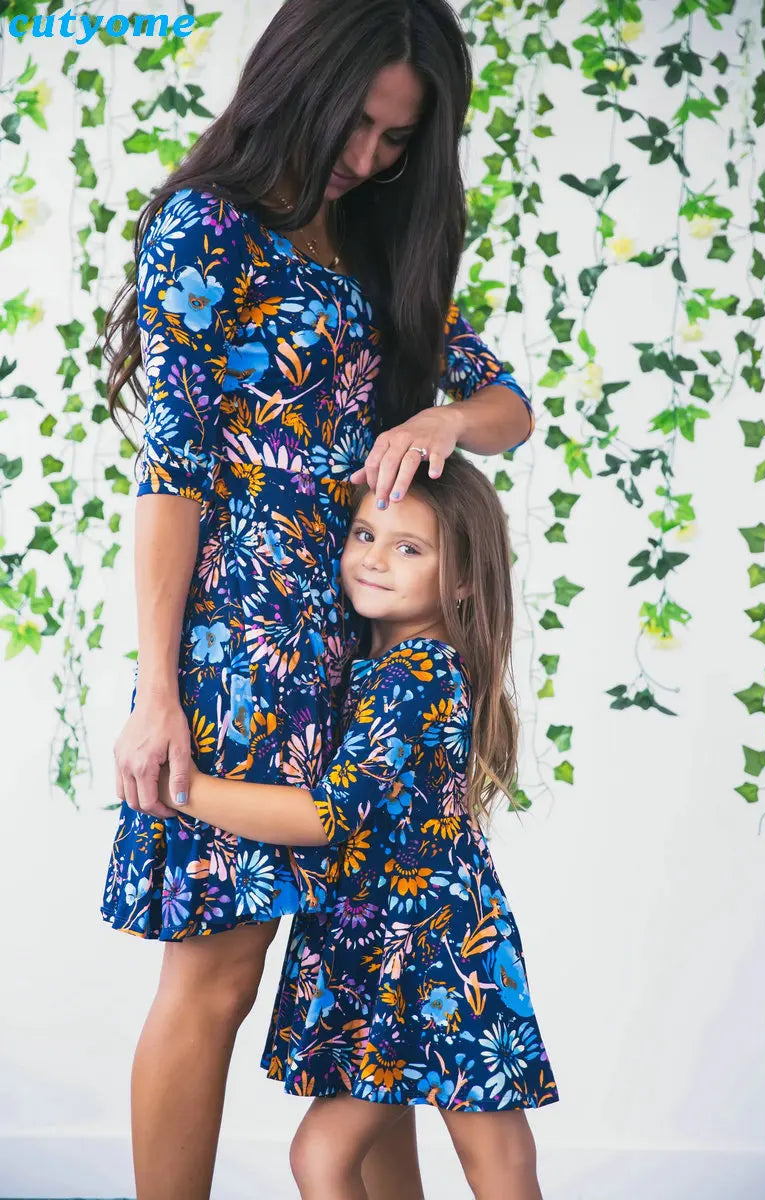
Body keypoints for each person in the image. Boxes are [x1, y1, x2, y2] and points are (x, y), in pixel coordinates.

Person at [101, 1, 534, 1196]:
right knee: (217, 979)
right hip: (240, 654)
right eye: (359, 123)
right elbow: (173, 475)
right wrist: (157, 694)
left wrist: (445, 415)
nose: (368, 157)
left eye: (398, 140)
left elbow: (509, 407)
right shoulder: (209, 231)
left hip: (368, 640)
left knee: (373, 988)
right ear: (300, 80)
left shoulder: (380, 247)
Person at [157, 454, 558, 1200]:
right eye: (365, 534)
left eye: (409, 548)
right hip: (379, 953)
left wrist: (184, 789)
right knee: (364, 1159)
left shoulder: (419, 675)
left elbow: (326, 817)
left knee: (492, 1166)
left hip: (440, 954)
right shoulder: (370, 664)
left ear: (464, 578)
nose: (373, 558)